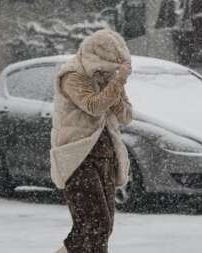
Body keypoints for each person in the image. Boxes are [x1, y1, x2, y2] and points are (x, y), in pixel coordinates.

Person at [50, 29, 133, 253]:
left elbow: (126, 115)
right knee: (95, 224)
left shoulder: (108, 79)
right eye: (104, 68)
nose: (106, 74)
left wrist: (115, 87)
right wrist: (117, 83)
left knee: (100, 228)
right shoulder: (72, 76)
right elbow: (93, 106)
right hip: (77, 158)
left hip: (105, 156)